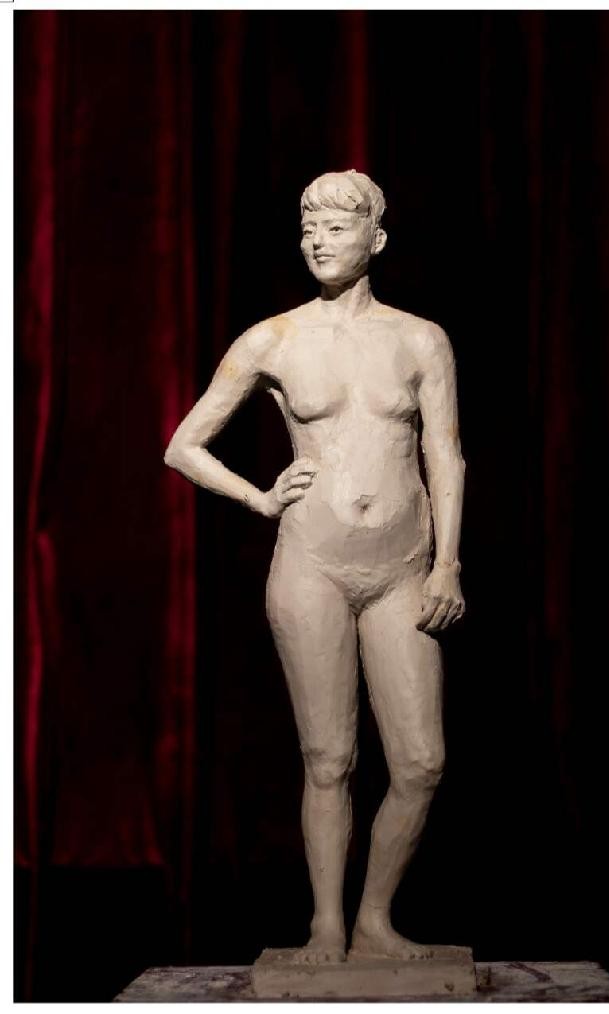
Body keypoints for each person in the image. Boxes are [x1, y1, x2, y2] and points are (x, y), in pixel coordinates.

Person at [164, 170, 466, 964]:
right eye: (308, 228)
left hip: (403, 569)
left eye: (336, 227)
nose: (318, 241)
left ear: (377, 239)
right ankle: (327, 926)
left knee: (420, 762)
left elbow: (444, 453)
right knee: (329, 759)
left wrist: (448, 565)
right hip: (313, 566)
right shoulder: (275, 339)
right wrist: (259, 498)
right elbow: (184, 445)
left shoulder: (420, 339)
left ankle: (375, 921)